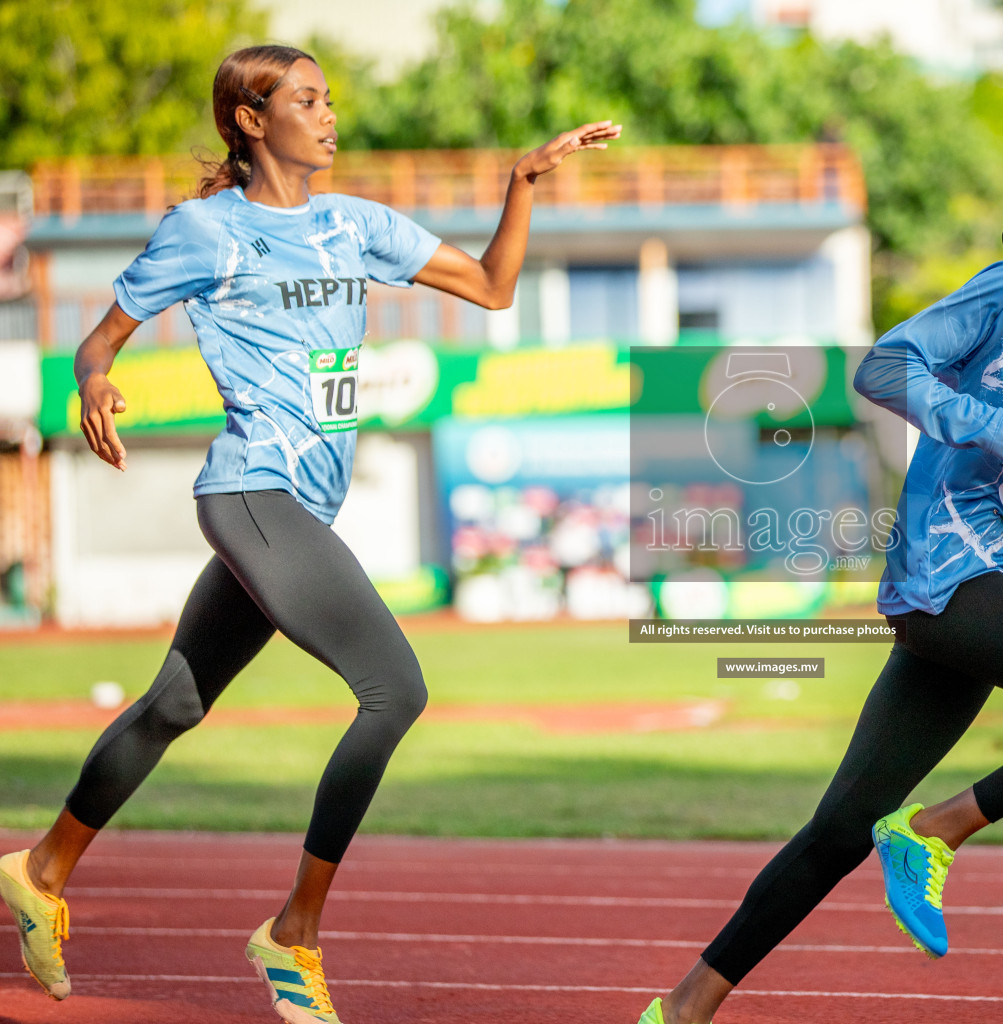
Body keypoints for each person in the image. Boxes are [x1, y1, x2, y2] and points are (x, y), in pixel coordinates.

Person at [0, 44, 618, 1024]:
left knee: (172, 703)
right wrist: (93, 381)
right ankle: (293, 932)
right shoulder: (206, 231)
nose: (329, 115)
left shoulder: (356, 224)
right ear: (251, 120)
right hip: (252, 492)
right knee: (395, 688)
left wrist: (521, 181)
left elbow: (496, 287)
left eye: (330, 98)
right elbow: (98, 340)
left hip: (300, 505)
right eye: (305, 100)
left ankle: (40, 868)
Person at [636, 135, 1003, 1024]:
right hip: (948, 570)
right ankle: (936, 828)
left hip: (996, 596)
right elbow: (884, 366)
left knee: (837, 830)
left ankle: (682, 1006)